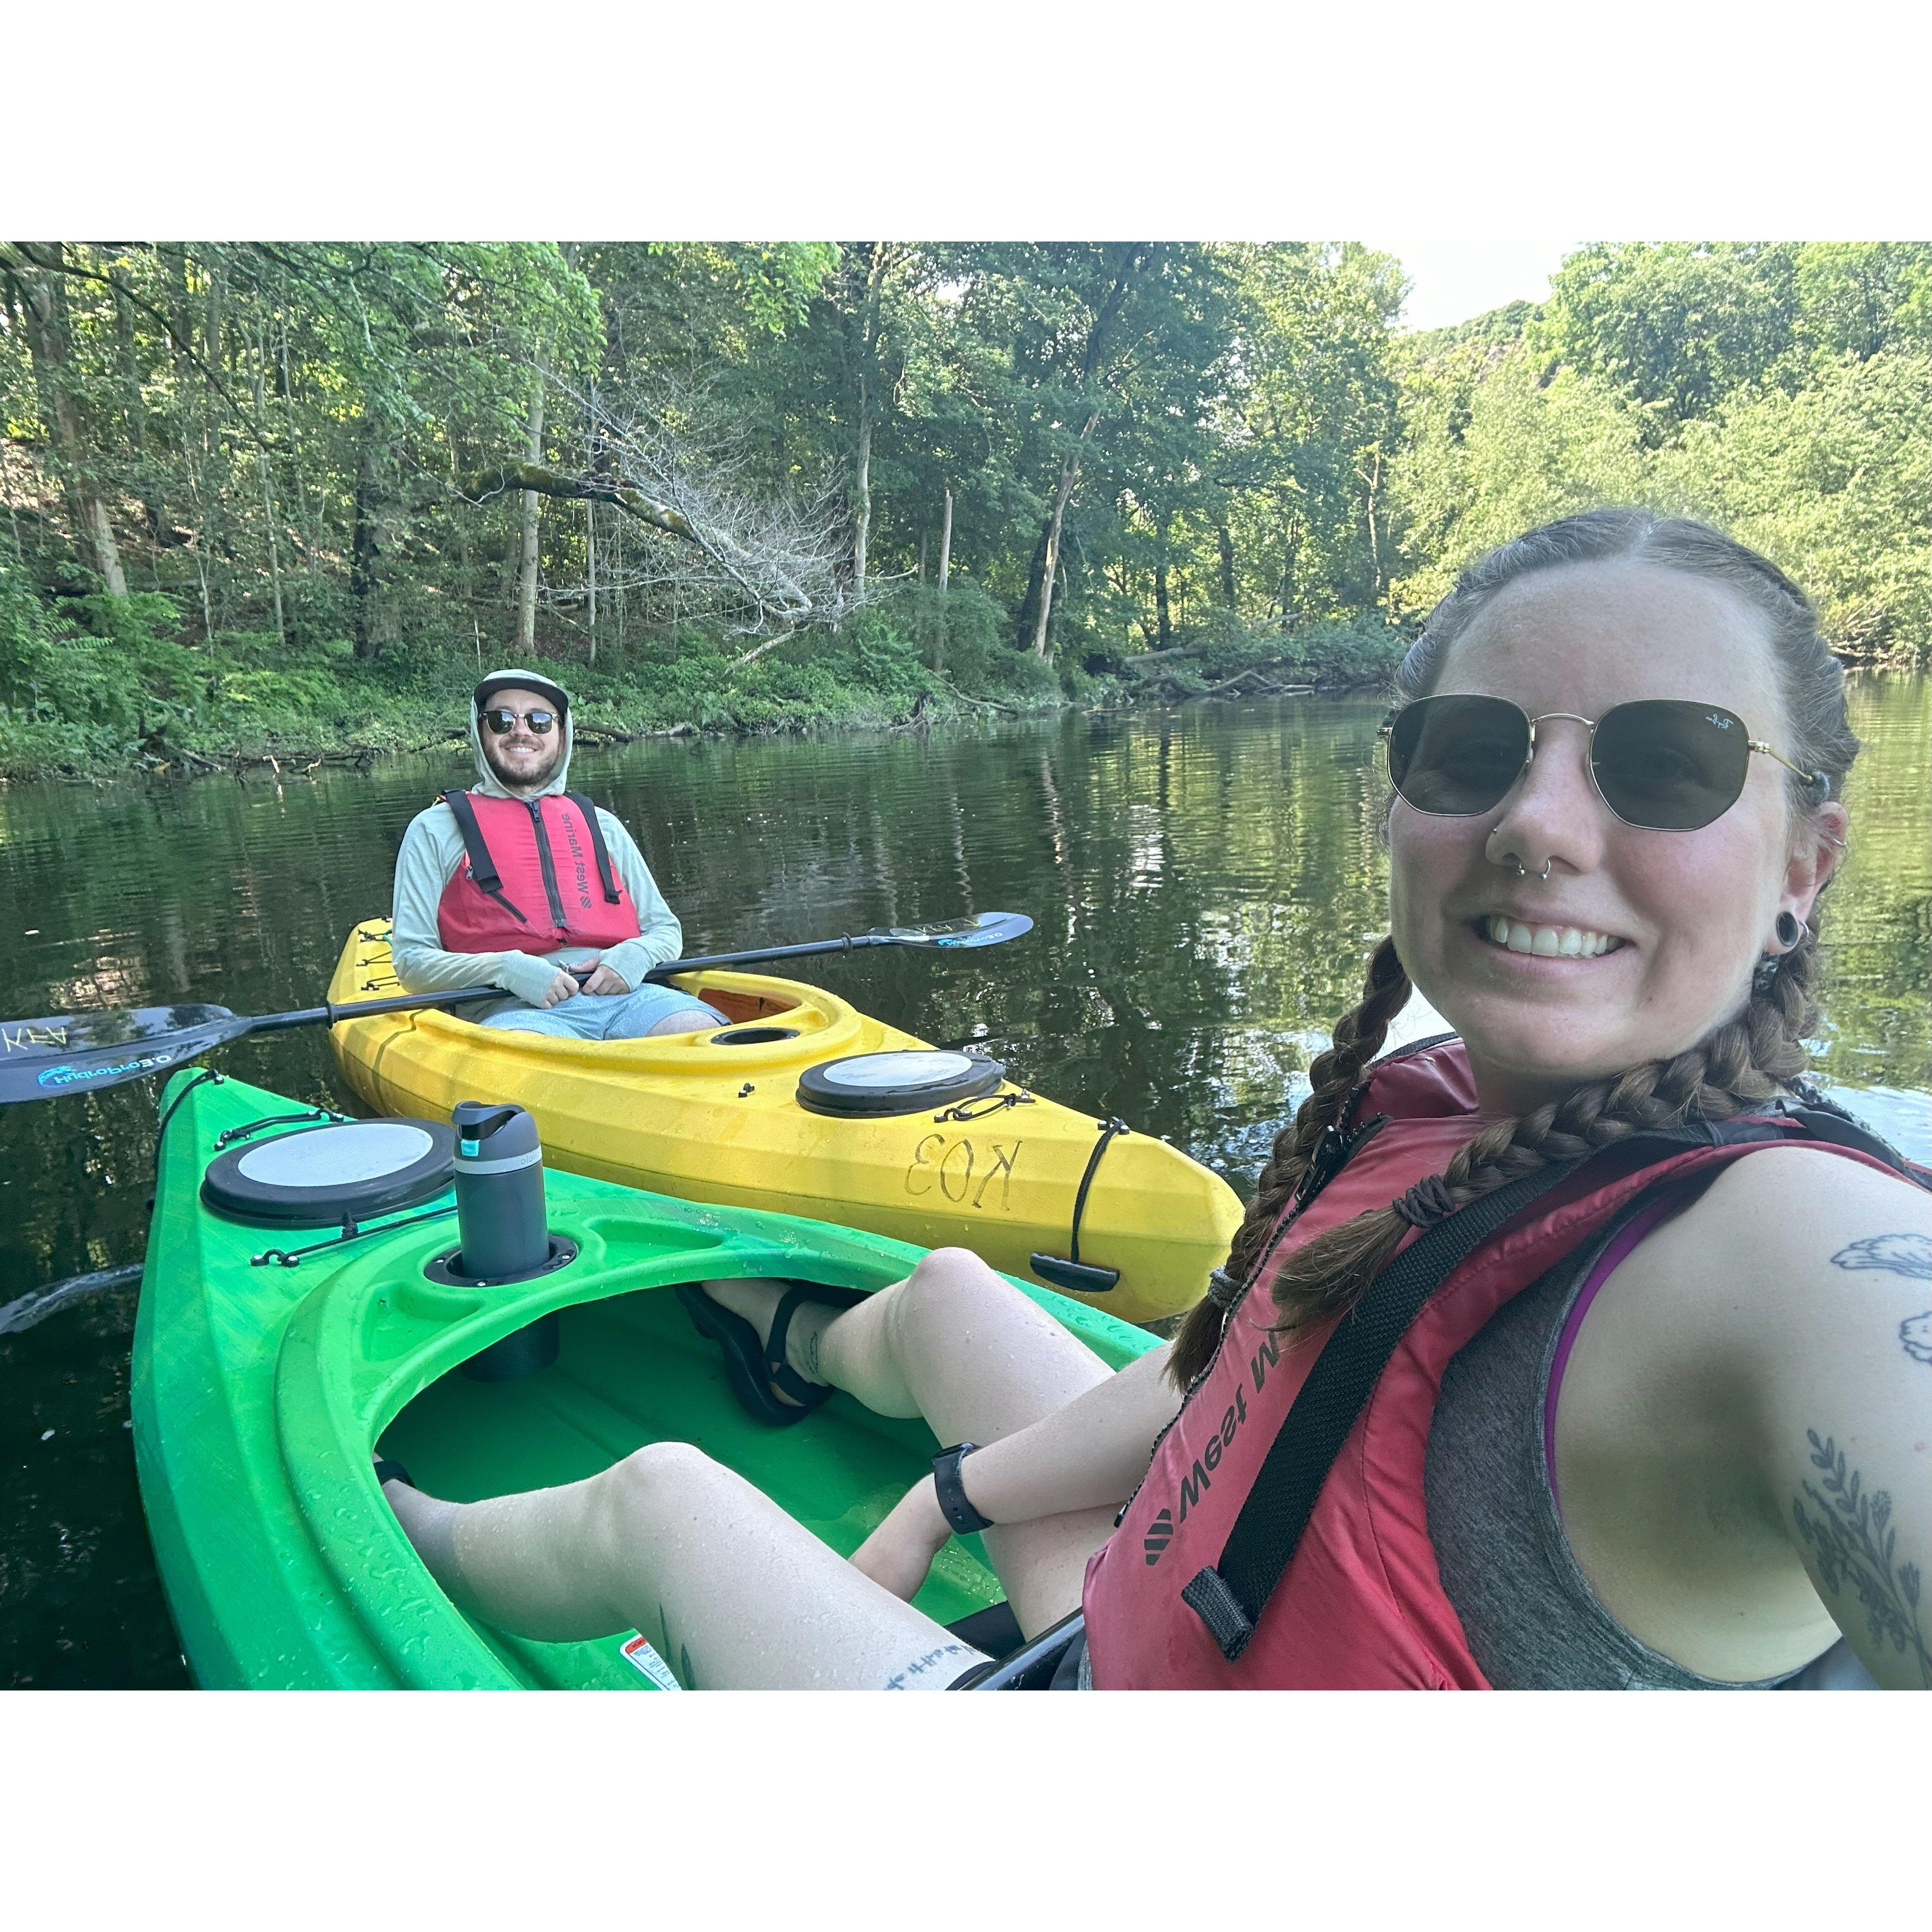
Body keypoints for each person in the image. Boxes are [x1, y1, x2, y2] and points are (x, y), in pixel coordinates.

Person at [380, 514, 1931, 1690]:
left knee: (661, 1501)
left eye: (1668, 765)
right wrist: (938, 1503)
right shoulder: (1432, 1107)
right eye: (1473, 751)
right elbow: (1226, 1383)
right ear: (1401, 798)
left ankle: (394, 1524)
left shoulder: (1790, 1253)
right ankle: (786, 1344)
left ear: (1807, 862)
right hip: (1138, 1610)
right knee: (949, 1292)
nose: (1538, 824)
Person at [388, 668, 724, 1040]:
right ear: (480, 732)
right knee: (537, 1058)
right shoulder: (434, 829)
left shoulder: (603, 824)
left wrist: (636, 955)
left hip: (630, 997)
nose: (522, 731)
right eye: (502, 720)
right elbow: (412, 963)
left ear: (562, 734)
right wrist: (504, 969)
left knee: (701, 1035)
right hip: (508, 1008)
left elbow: (665, 931)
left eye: (540, 720)